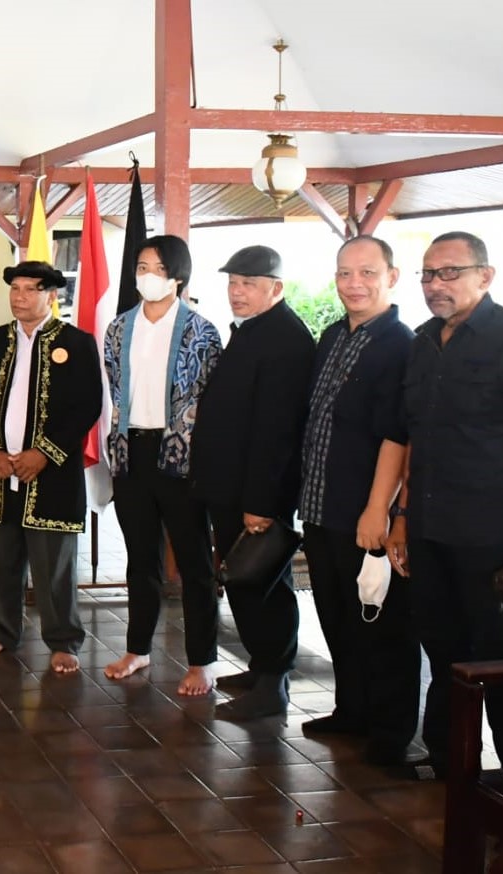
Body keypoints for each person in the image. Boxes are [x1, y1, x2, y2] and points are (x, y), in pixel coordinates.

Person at [388, 231, 503, 778]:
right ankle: (450, 768)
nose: (435, 285)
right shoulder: (422, 342)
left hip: (492, 535)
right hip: (430, 527)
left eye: (449, 273)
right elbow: (413, 437)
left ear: (484, 276)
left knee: (501, 661)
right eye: (427, 274)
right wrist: (400, 518)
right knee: (442, 654)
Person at [297, 235, 417, 765]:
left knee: (384, 627)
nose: (354, 284)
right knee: (337, 617)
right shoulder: (331, 336)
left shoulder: (401, 344)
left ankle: (390, 733)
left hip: (365, 513)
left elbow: (400, 434)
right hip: (321, 508)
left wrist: (380, 510)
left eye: (367, 273)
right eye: (345, 273)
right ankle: (352, 711)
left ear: (391, 276)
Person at [191, 245, 314, 720]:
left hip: (256, 493)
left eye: (248, 285)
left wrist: (261, 503)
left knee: (262, 582)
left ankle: (274, 681)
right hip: (231, 486)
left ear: (275, 289)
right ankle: (262, 666)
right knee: (243, 581)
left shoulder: (285, 339)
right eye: (233, 283)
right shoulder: (253, 330)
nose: (236, 293)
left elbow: (276, 431)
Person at [100, 236, 222, 697]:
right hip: (132, 454)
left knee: (194, 563)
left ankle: (202, 660)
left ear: (178, 277)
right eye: (140, 266)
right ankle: (137, 648)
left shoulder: (201, 332)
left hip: (183, 458)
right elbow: (114, 391)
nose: (145, 276)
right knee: (140, 559)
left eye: (155, 268)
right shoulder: (118, 329)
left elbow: (212, 401)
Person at [0, 261, 103, 672]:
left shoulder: (76, 343)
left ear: (52, 296)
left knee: (53, 564)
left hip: (51, 473)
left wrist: (42, 452)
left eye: (30, 290)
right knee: (2, 559)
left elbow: (87, 405)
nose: (20, 297)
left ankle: (63, 640)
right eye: (16, 289)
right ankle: (4, 633)